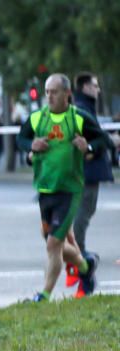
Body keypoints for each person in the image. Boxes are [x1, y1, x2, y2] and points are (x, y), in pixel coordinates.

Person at [17, 73, 106, 301]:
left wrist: (89, 147)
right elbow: (21, 139)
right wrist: (30, 145)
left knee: (54, 244)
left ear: (67, 94)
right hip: (45, 189)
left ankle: (44, 295)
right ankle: (86, 267)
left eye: (54, 92)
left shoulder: (78, 118)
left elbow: (102, 140)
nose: (49, 97)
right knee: (52, 241)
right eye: (47, 92)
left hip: (70, 190)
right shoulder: (37, 118)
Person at [68, 71, 114, 292]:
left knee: (81, 218)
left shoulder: (83, 107)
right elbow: (99, 139)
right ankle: (83, 263)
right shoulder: (82, 109)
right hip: (85, 174)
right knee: (81, 219)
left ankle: (82, 263)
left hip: (84, 174)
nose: (98, 89)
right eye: (95, 85)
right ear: (85, 87)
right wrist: (100, 146)